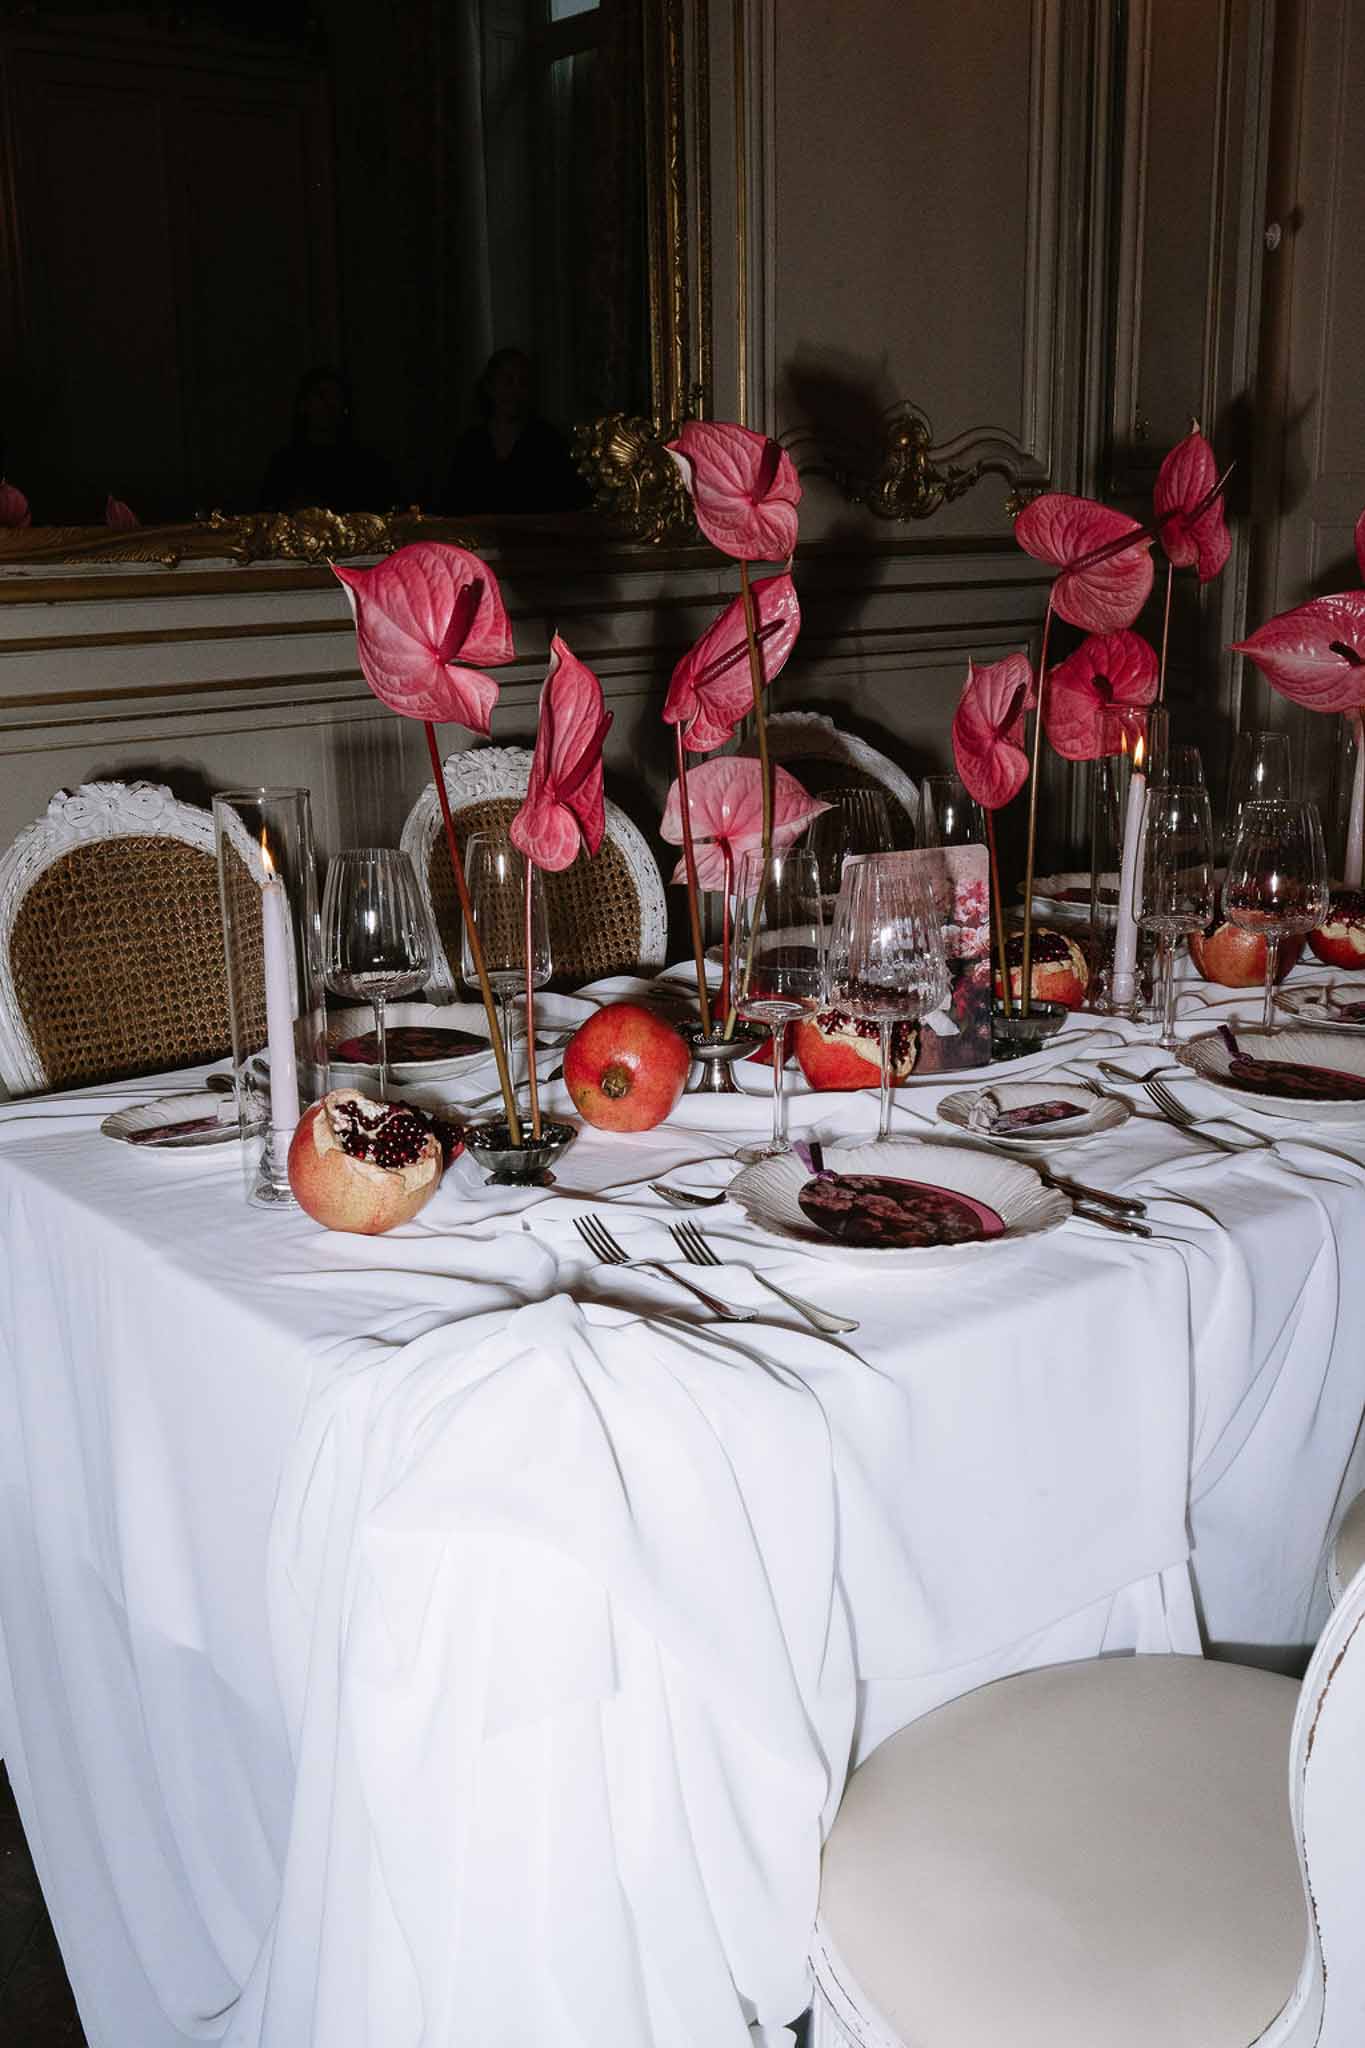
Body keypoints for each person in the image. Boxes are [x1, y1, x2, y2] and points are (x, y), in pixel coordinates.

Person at [441, 348, 589, 515]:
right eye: (508, 381)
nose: (515, 391)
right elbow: (454, 504)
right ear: (490, 387)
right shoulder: (471, 444)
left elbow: (567, 503)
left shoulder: (548, 441)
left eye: (523, 382)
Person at [259, 368, 395, 513]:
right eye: (321, 396)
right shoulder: (284, 462)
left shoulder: (366, 463)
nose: (330, 404)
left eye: (336, 397)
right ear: (304, 404)